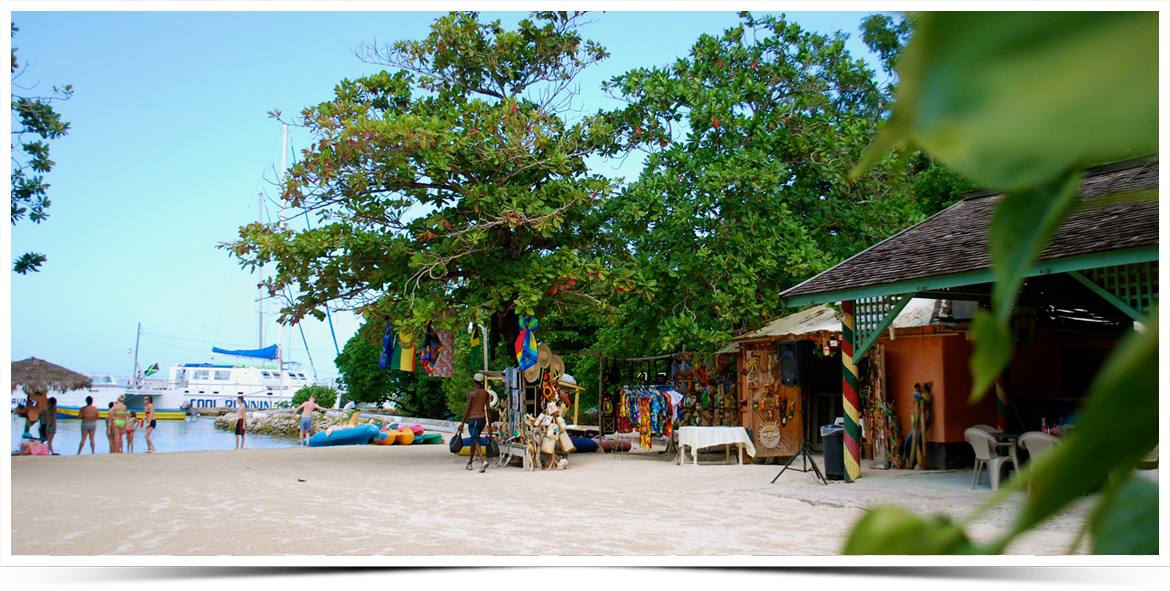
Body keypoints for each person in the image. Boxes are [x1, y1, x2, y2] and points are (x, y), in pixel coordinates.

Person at [457, 372, 492, 473]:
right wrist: (490, 425)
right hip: (482, 419)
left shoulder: (471, 393)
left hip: (474, 419)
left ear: (474, 381)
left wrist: (462, 423)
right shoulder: (486, 394)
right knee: (474, 438)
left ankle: (483, 461)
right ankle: (470, 463)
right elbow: (489, 410)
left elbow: (467, 409)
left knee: (475, 439)